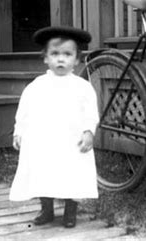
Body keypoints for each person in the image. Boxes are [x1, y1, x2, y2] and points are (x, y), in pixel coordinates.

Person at [9, 26, 99, 228]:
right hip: (45, 141)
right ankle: (46, 209)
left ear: (76, 59)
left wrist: (88, 132)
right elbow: (24, 111)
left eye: (67, 54)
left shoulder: (82, 87)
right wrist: (19, 131)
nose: (61, 59)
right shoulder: (37, 86)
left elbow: (90, 112)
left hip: (71, 141)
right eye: (55, 54)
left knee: (71, 173)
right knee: (43, 171)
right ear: (45, 58)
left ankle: (70, 211)